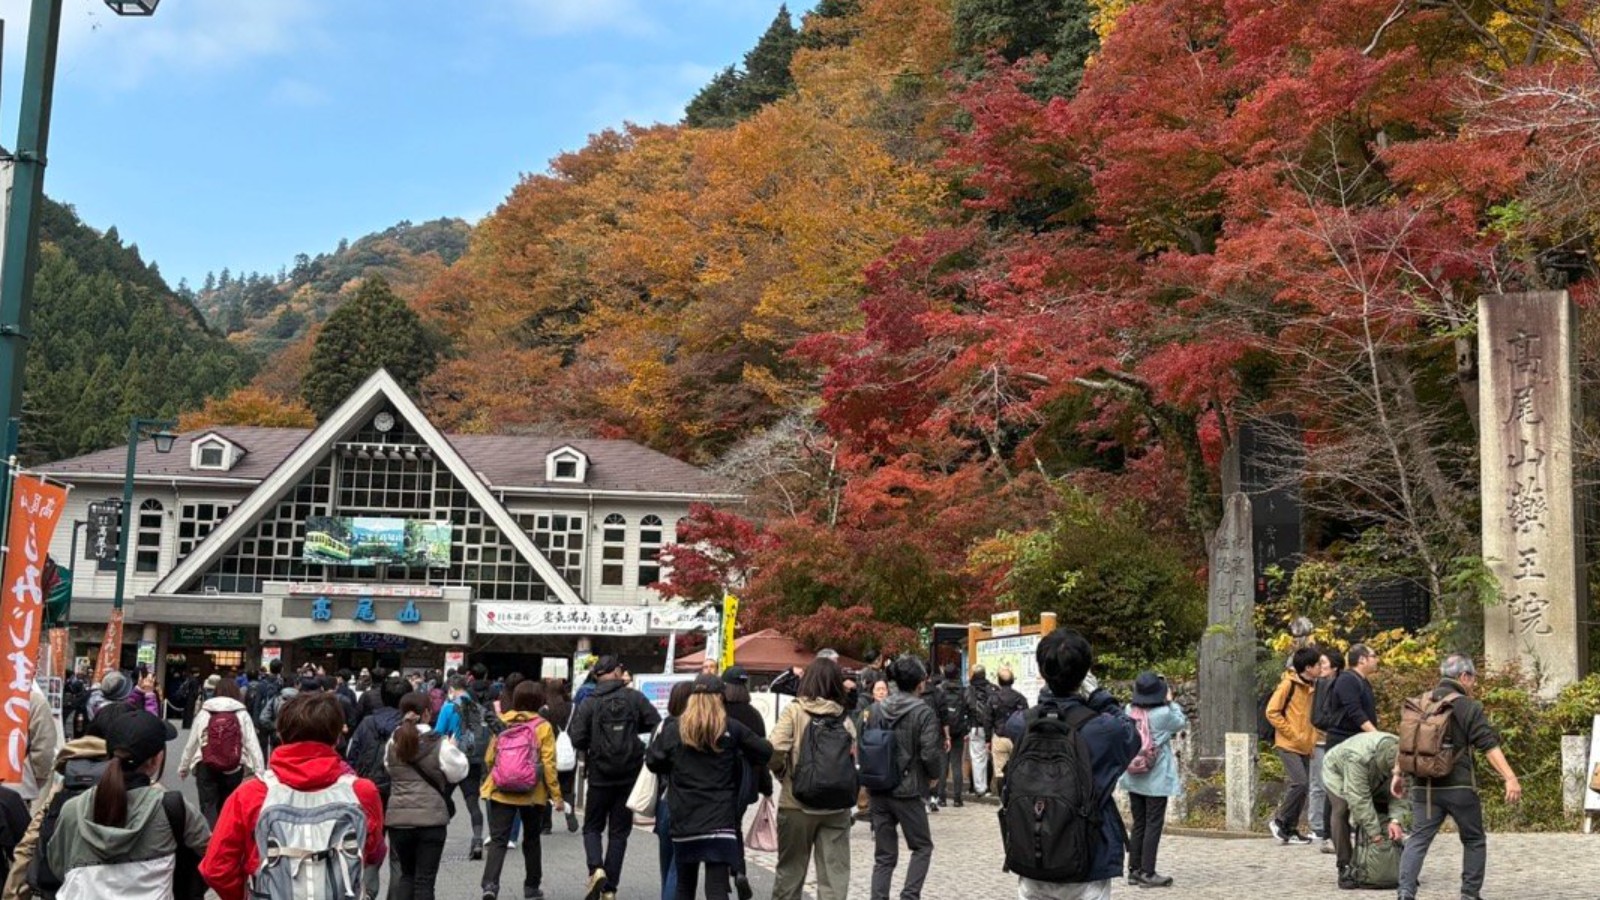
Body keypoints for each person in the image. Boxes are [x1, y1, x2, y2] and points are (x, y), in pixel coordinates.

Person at [200, 692, 386, 900]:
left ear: (280, 734)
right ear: (337, 737)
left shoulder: (250, 794)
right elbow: (374, 851)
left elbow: (216, 868)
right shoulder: (362, 792)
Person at [999, 629, 1140, 900]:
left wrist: (1048, 692)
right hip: (1087, 861)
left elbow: (1012, 722)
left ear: (1042, 671)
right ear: (1085, 672)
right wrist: (1098, 694)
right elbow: (1131, 732)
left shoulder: (1022, 724)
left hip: (1032, 858)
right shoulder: (1103, 730)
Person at [1393, 654, 1521, 900]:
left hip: (1424, 788)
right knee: (1473, 839)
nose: (1473, 684)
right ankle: (1469, 894)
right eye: (1472, 678)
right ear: (1464, 676)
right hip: (1459, 786)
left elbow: (1405, 744)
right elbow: (1488, 745)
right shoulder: (1467, 706)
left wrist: (1397, 774)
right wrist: (1510, 777)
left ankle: (1405, 892)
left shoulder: (1420, 703)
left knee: (1418, 838)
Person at [46, 708, 209, 898]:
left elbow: (57, 865)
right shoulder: (172, 808)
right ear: (155, 760)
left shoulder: (72, 809)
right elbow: (212, 857)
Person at [645, 674, 773, 900]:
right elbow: (765, 751)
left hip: (685, 815)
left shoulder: (675, 729)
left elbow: (653, 762)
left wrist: (674, 764)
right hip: (720, 817)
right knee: (716, 885)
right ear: (719, 698)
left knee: (684, 884)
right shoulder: (731, 728)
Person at [569, 656, 661, 900]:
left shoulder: (590, 702)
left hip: (599, 774)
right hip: (629, 775)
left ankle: (596, 868)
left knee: (592, 827)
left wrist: (594, 742)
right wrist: (633, 733)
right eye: (621, 668)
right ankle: (610, 889)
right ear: (614, 671)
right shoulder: (634, 698)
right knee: (619, 833)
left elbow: (577, 738)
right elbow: (656, 724)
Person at [769, 657, 856, 900]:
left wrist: (783, 773)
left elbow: (775, 747)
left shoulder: (795, 711)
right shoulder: (844, 717)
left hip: (796, 803)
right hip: (836, 806)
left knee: (790, 872)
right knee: (834, 877)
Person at [865, 656, 943, 900]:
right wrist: (933, 777)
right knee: (922, 846)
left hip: (878, 787)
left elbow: (865, 742)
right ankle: (910, 895)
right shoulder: (924, 712)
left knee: (884, 855)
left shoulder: (875, 709)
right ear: (920, 683)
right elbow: (930, 753)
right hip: (908, 790)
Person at [479, 679, 563, 900]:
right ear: (539, 701)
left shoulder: (503, 721)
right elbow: (549, 764)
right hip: (532, 793)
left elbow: (490, 757)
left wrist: (497, 775)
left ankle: (490, 886)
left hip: (501, 790)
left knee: (498, 840)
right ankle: (531, 887)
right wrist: (556, 796)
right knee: (532, 840)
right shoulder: (543, 726)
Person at [386, 692, 468, 900]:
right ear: (427, 714)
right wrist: (454, 749)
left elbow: (389, 769)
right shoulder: (439, 743)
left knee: (407, 875)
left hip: (399, 820)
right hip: (431, 820)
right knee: (425, 881)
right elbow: (458, 772)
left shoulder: (392, 742)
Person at [1119, 672, 1187, 888]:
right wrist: (1171, 700)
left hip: (1133, 774)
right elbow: (1181, 722)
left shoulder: (1130, 710)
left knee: (1138, 823)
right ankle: (1148, 873)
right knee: (1153, 824)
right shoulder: (1164, 713)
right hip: (1156, 778)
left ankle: (1134, 870)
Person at [177, 678, 263, 826]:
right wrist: (259, 770)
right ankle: (224, 839)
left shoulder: (205, 711)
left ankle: (209, 841)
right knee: (228, 807)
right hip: (234, 766)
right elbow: (252, 744)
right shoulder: (241, 713)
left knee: (208, 806)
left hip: (206, 764)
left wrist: (183, 767)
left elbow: (192, 743)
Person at [1323, 730, 1402, 889]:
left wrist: (1396, 820)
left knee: (1384, 810)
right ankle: (1345, 865)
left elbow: (1402, 794)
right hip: (1338, 770)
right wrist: (1374, 833)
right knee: (1341, 809)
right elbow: (1360, 799)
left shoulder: (1405, 752)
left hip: (1377, 769)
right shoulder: (1357, 758)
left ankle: (1396, 865)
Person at [1265, 646, 1321, 845]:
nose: (1321, 668)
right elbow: (1272, 711)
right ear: (1308, 667)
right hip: (1288, 744)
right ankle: (1280, 821)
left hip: (1305, 745)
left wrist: (1310, 742)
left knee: (1303, 787)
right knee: (1300, 783)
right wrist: (1293, 734)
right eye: (1317, 665)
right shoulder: (1288, 684)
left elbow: (1310, 719)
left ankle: (1290, 828)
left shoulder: (1313, 686)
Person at [435, 674, 488, 857]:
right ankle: (478, 839)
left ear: (451, 689)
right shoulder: (479, 709)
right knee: (473, 802)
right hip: (473, 760)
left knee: (442, 798)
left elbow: (437, 734)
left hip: (451, 759)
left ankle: (436, 837)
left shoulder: (449, 708)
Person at [655, 682, 696, 900]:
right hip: (688, 801)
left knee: (667, 860)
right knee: (679, 866)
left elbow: (652, 760)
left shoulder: (663, 726)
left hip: (665, 798)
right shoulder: (697, 728)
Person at [1306, 648, 1340, 851]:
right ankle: (1318, 825)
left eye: (1324, 664)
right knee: (1318, 784)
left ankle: (1333, 826)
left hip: (1336, 740)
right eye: (1319, 664)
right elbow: (1315, 716)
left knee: (1333, 785)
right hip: (1319, 739)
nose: (1320, 668)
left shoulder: (1341, 684)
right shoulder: (1318, 685)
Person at [537, 678, 579, 835]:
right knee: (567, 787)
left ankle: (546, 825)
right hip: (569, 754)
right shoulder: (574, 708)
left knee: (547, 787)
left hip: (549, 754)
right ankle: (570, 815)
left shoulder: (544, 710)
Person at [987, 667, 1028, 796]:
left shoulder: (993, 698)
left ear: (998, 681)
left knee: (999, 771)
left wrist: (988, 739)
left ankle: (1002, 798)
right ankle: (1017, 795)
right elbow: (1027, 718)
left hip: (1000, 737)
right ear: (1012, 681)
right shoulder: (1020, 698)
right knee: (1018, 768)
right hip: (1017, 738)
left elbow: (987, 719)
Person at [932, 663, 968, 808]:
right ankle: (958, 799)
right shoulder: (964, 690)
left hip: (942, 730)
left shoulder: (939, 690)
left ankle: (941, 798)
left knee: (943, 764)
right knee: (956, 764)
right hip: (959, 730)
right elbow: (970, 708)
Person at [964, 665, 995, 796]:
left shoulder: (969, 689)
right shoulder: (992, 689)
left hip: (975, 727)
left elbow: (965, 707)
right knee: (988, 758)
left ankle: (979, 788)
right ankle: (986, 787)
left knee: (977, 759)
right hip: (991, 727)